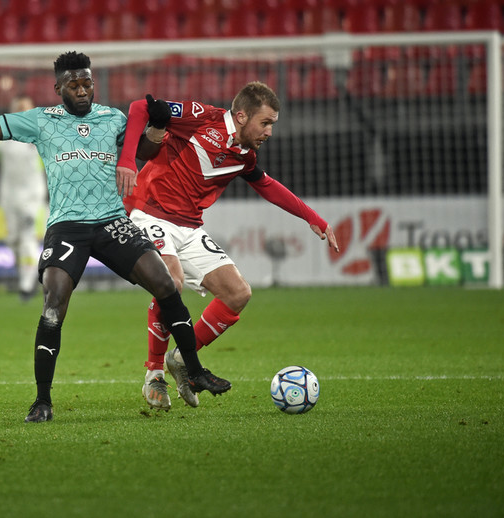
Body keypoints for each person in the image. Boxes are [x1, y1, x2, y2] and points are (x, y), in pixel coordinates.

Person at [0, 30, 231, 424]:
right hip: (68, 226)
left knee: (167, 286)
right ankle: (42, 400)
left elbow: (145, 152)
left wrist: (155, 128)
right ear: (58, 88)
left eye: (87, 81)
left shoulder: (113, 118)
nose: (83, 89)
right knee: (53, 307)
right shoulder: (41, 121)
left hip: (111, 222)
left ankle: (194, 369)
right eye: (74, 83)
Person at [116, 85, 340, 410]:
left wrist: (312, 218)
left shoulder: (245, 155)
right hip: (149, 211)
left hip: (189, 226)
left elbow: (266, 184)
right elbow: (139, 108)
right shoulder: (201, 119)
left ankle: (180, 358)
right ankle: (153, 373)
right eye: (265, 123)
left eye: (272, 124)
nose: (270, 132)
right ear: (241, 115)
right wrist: (127, 162)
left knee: (239, 293)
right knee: (172, 282)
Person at [0, 95, 48, 302]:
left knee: (28, 237)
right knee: (13, 239)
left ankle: (27, 286)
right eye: (17, 107)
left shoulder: (40, 134)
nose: (22, 110)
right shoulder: (1, 135)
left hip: (33, 196)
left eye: (26, 107)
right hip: (8, 196)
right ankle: (25, 274)